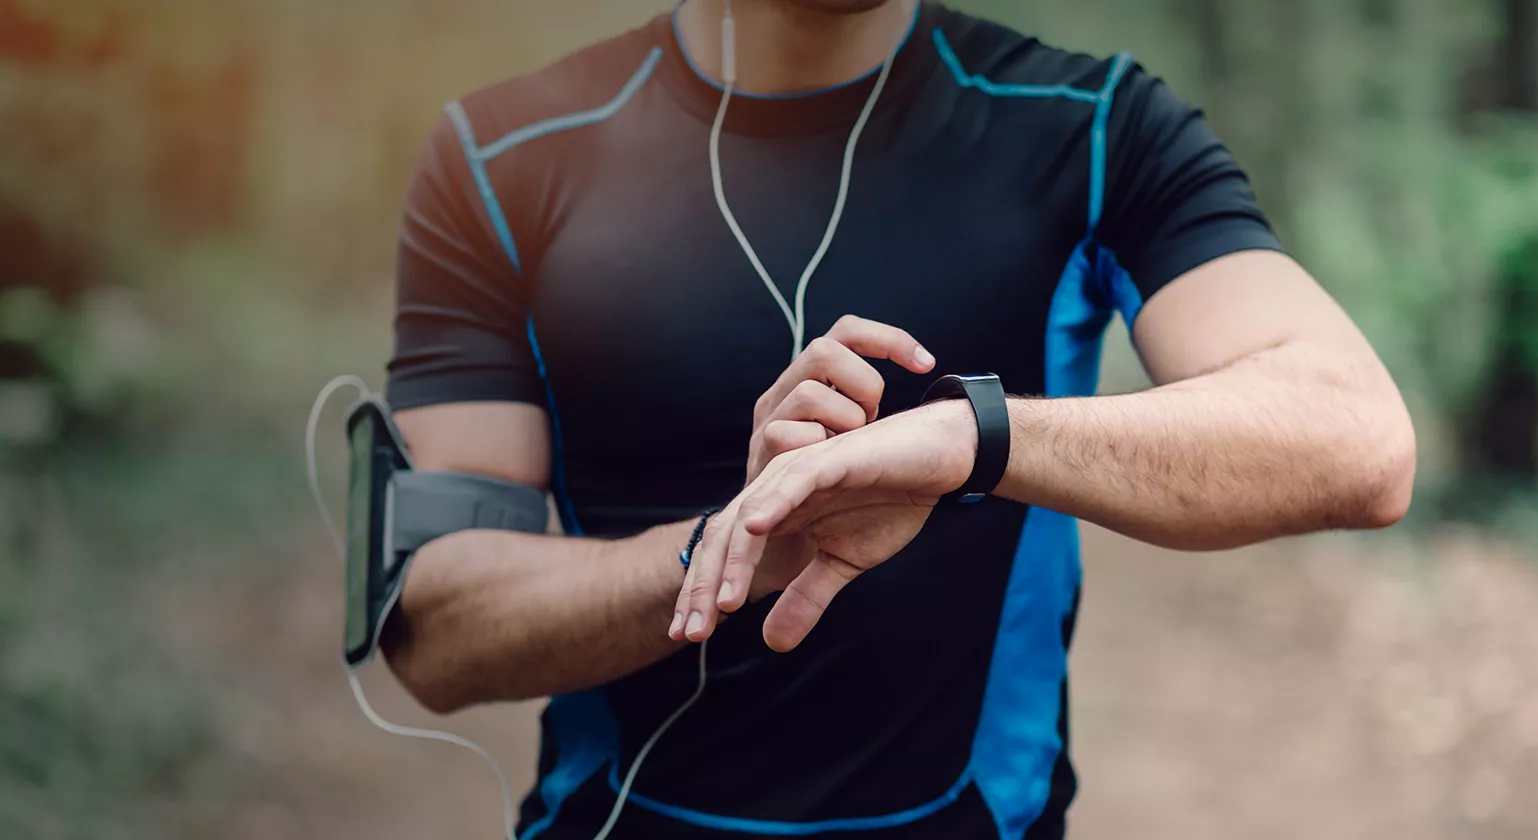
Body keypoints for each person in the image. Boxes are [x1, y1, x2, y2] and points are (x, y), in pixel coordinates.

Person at [379, 0, 1416, 837]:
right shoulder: (502, 155)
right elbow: (432, 627)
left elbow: (1355, 437)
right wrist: (731, 549)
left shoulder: (1093, 129)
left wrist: (974, 441)